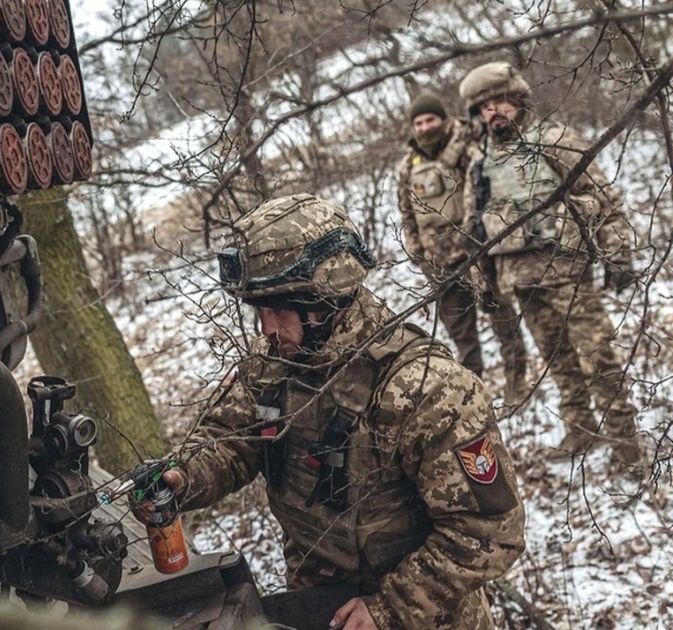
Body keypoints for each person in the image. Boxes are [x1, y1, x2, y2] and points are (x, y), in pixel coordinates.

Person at [144, 194, 525, 629]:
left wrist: (387, 608)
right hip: (316, 603)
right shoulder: (273, 361)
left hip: (422, 614)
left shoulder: (428, 389)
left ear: (325, 299)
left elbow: (490, 530)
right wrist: (183, 476)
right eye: (259, 310)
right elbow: (231, 440)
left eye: (278, 309)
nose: (266, 327)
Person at [458, 62, 643, 465]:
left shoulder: (554, 140)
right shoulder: (480, 164)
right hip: (519, 279)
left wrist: (618, 253)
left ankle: (626, 442)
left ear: (517, 98)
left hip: (566, 272)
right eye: (484, 106)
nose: (493, 112)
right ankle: (580, 429)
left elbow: (601, 197)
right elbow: (476, 230)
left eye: (499, 101)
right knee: (557, 360)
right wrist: (483, 284)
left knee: (599, 356)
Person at [397, 91, 530, 408]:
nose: (426, 127)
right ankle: (476, 393)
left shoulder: (468, 145)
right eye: (419, 122)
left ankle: (518, 384)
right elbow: (407, 212)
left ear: (443, 119)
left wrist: (486, 241)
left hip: (478, 254)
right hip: (438, 262)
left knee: (503, 321)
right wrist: (418, 254)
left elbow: (486, 191)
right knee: (461, 335)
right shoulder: (408, 164)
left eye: (431, 119)